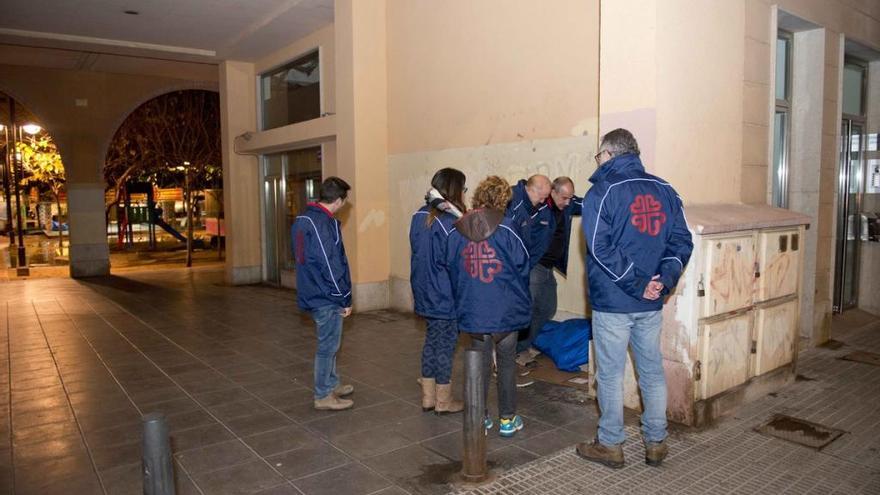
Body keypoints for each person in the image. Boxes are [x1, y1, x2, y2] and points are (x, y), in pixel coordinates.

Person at [576, 129, 693, 468]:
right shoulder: (665, 189)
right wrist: (662, 280)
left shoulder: (602, 191)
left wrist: (638, 282)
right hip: (650, 301)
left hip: (613, 301)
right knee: (652, 372)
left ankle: (610, 444)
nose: (598, 162)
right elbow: (682, 242)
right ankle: (656, 443)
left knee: (610, 375)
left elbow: (599, 248)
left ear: (610, 154)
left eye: (599, 156)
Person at [445, 176, 531, 437]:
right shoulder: (509, 228)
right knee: (506, 364)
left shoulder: (456, 229)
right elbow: (523, 265)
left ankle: (480, 418)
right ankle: (507, 419)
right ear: (504, 200)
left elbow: (450, 266)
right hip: (505, 308)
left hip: (474, 308)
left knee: (478, 366)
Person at [291, 177, 356, 411]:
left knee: (330, 343)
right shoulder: (321, 223)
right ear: (338, 200)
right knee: (328, 346)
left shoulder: (304, 218)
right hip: (325, 295)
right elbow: (330, 264)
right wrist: (344, 297)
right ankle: (323, 394)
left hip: (314, 290)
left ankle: (331, 383)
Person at [409, 168, 467, 414]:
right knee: (446, 346)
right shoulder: (450, 222)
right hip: (445, 294)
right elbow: (456, 263)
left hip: (424, 291)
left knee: (431, 342)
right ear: (455, 190)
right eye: (463, 189)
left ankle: (428, 398)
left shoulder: (418, 215)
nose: (465, 193)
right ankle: (443, 401)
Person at [515, 176, 583, 367]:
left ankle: (522, 346)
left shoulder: (568, 204)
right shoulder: (538, 208)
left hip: (548, 268)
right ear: (553, 192)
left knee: (547, 308)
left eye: (570, 198)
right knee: (527, 309)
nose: (568, 202)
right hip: (534, 266)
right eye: (564, 197)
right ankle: (515, 351)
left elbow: (589, 204)